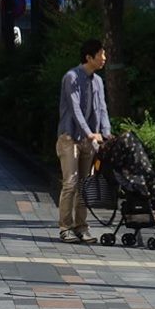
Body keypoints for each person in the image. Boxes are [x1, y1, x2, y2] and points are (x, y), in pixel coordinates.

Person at [56, 38, 109, 244]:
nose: (104, 58)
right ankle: (65, 227)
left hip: (89, 139)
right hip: (69, 137)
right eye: (101, 54)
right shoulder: (72, 77)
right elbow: (75, 109)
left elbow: (102, 108)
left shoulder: (98, 81)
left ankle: (81, 226)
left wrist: (106, 132)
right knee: (70, 182)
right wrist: (89, 133)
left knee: (85, 184)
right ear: (89, 57)